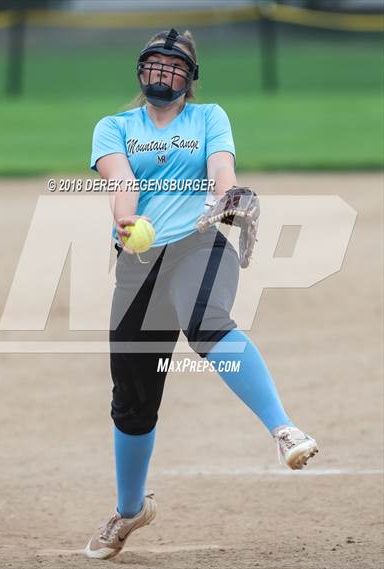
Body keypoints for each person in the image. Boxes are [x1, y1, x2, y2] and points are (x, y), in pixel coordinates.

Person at [84, 29, 318, 560]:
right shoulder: (115, 127)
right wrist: (126, 219)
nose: (163, 75)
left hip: (198, 246)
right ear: (141, 71)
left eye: (174, 67)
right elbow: (119, 181)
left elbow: (220, 170)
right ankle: (128, 511)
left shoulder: (208, 117)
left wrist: (227, 195)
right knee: (133, 403)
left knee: (206, 319)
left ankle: (283, 428)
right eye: (155, 65)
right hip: (138, 267)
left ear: (190, 79)